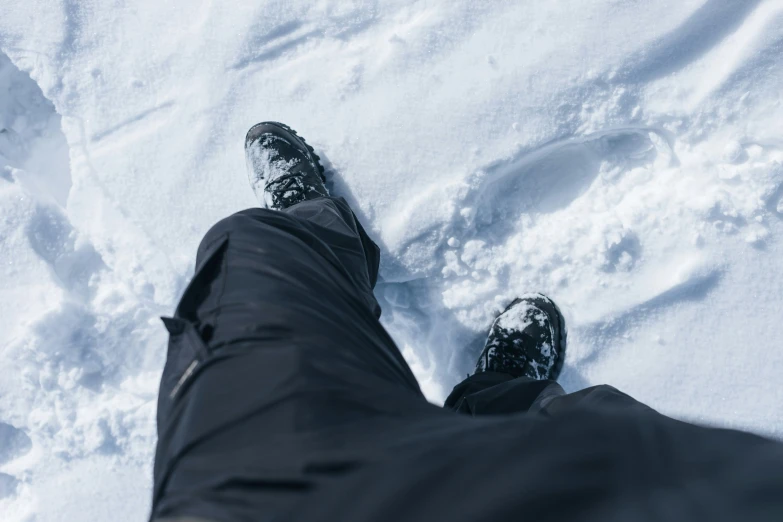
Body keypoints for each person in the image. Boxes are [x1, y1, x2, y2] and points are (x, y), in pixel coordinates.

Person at [150, 122, 783, 522]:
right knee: (590, 433)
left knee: (256, 253)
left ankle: (318, 229)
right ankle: (505, 402)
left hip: (254, 496)